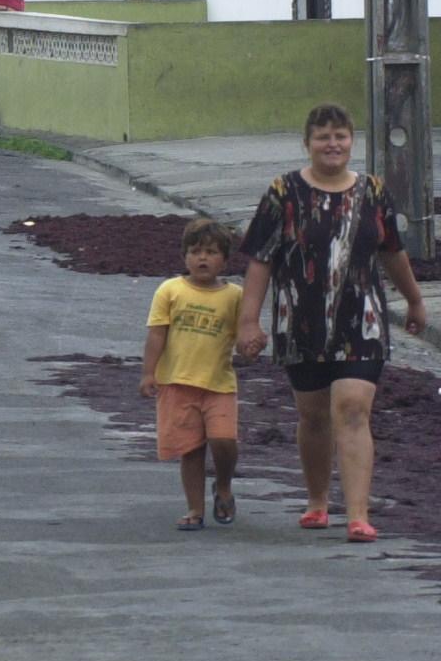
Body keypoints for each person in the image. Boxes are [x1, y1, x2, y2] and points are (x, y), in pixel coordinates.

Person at [238, 103, 428, 543]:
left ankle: (358, 515)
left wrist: (415, 301)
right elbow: (260, 262)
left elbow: (393, 251)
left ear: (351, 142)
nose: (332, 144)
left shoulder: (373, 192)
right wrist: (249, 322)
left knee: (353, 409)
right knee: (314, 416)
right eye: (323, 136)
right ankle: (318, 501)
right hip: (300, 323)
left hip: (362, 322)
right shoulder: (283, 193)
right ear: (307, 143)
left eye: (340, 136)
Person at [139, 219, 244, 531]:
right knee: (190, 450)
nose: (202, 258)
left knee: (224, 440)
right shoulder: (170, 290)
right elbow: (157, 334)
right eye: (196, 251)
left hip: (219, 384)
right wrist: (148, 373)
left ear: (224, 260)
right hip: (177, 383)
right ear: (184, 256)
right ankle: (195, 509)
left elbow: (243, 335)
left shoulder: (234, 296)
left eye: (211, 252)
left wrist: (252, 345)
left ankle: (223, 485)